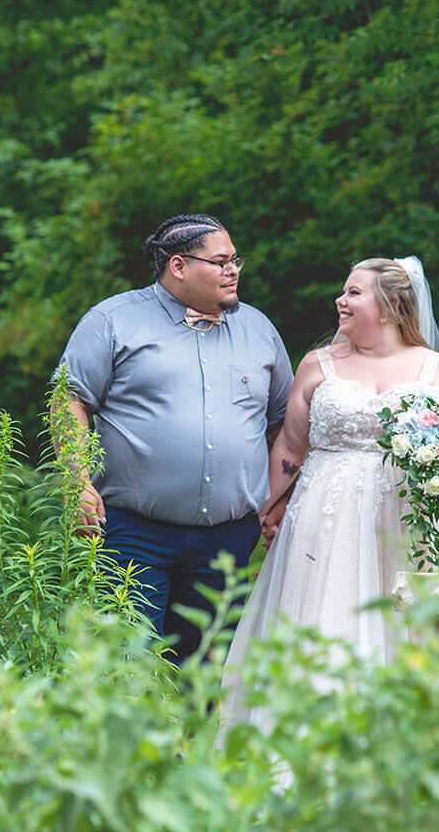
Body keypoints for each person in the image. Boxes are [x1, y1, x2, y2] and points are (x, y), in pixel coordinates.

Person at [221, 257, 439, 722]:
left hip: (407, 523)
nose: (340, 300)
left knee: (404, 624)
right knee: (324, 617)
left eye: (354, 292)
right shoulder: (318, 365)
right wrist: (265, 511)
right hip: (325, 518)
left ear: (390, 305)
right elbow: (289, 447)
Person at [57, 214, 294, 663]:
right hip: (132, 533)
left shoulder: (259, 329)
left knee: (206, 672)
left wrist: (279, 497)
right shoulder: (111, 321)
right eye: (220, 262)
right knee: (128, 664)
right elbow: (69, 400)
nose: (233, 270)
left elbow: (283, 423)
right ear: (178, 266)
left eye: (235, 260)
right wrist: (76, 480)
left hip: (228, 540)